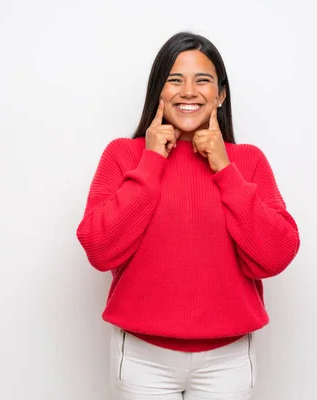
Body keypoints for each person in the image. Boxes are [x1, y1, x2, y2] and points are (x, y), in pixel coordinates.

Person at [76, 31, 300, 400]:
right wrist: (151, 162)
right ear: (158, 91)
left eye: (203, 81)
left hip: (227, 360)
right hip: (142, 358)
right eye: (175, 80)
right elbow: (100, 250)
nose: (188, 92)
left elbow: (275, 255)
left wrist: (225, 169)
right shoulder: (123, 156)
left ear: (220, 94)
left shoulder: (248, 161)